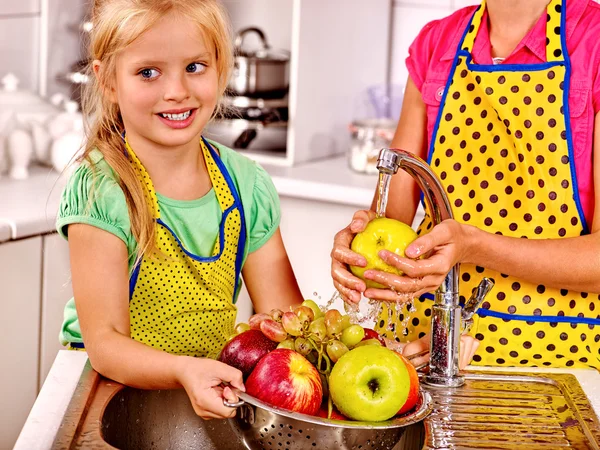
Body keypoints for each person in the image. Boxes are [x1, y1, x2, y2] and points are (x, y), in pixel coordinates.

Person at [56, 0, 303, 420]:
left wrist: (363, 347)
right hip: (104, 395)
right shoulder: (102, 189)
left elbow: (286, 321)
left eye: (195, 67)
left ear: (221, 68)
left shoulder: (247, 185)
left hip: (207, 389)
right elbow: (106, 344)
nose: (177, 91)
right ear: (108, 81)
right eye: (148, 72)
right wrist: (183, 370)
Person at [332, 0, 600, 369]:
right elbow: (392, 219)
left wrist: (474, 246)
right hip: (428, 343)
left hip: (552, 356)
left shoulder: (592, 43)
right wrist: (360, 250)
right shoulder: (437, 43)